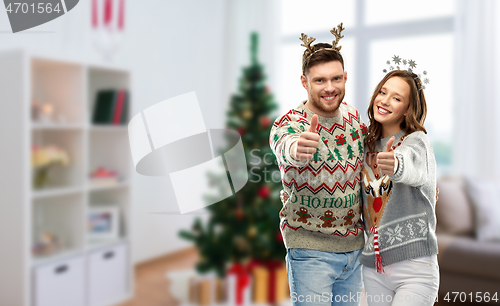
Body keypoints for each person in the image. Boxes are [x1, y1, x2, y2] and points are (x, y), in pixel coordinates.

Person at [281, 66, 439, 306]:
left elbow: (412, 166)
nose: (384, 101)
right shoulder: (365, 144)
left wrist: (395, 164)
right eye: (382, 92)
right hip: (374, 266)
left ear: (407, 109)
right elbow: (338, 172)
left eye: (396, 98)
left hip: (414, 266)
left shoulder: (417, 142)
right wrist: (295, 194)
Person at [269, 23, 366, 306]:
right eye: (320, 80)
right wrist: (297, 149)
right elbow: (285, 146)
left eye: (336, 79)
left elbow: (372, 161)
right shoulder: (289, 123)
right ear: (304, 82)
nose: (330, 88)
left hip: (354, 250)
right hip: (310, 251)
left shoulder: (353, 118)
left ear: (346, 77)